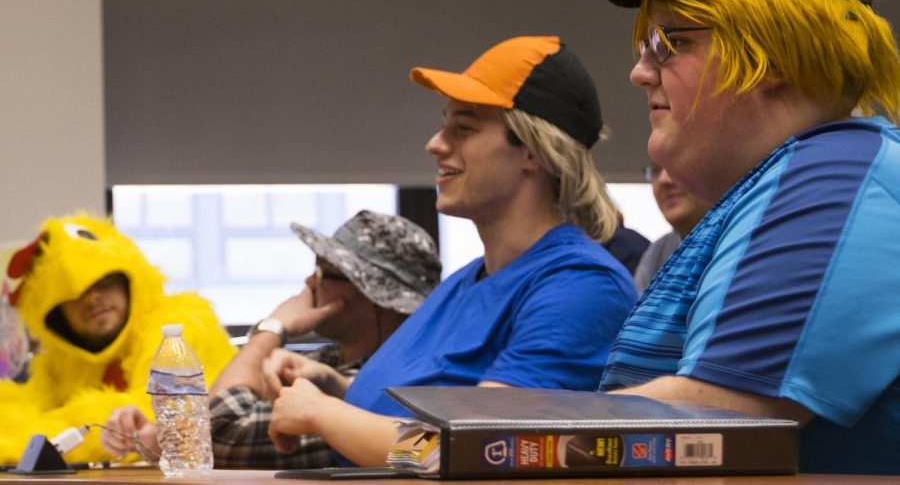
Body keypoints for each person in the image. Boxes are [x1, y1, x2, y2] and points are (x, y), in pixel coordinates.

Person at [596, 0, 900, 474]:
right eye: (647, 45)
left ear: (778, 53)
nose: (640, 72)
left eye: (673, 43)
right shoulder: (802, 180)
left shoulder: (835, 181)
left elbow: (711, 430)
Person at [264, 36, 637, 466]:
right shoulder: (469, 280)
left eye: (464, 128)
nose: (436, 144)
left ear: (534, 150)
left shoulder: (580, 287)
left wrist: (322, 413)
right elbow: (431, 407)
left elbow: (471, 450)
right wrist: (335, 386)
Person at [101, 210, 442, 469]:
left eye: (326, 272)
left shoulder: (398, 381)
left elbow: (218, 434)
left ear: (375, 298)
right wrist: (156, 434)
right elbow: (202, 436)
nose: (310, 281)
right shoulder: (324, 364)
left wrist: (272, 329)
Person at [0, 213, 236, 464]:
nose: (92, 299)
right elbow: (21, 409)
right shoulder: (61, 362)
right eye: (74, 295)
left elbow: (157, 420)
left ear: (129, 280)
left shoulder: (180, 326)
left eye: (104, 282)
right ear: (55, 315)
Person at [633, 163, 711, 292]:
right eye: (655, 170)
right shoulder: (657, 252)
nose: (663, 180)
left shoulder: (743, 238)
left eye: (679, 163)